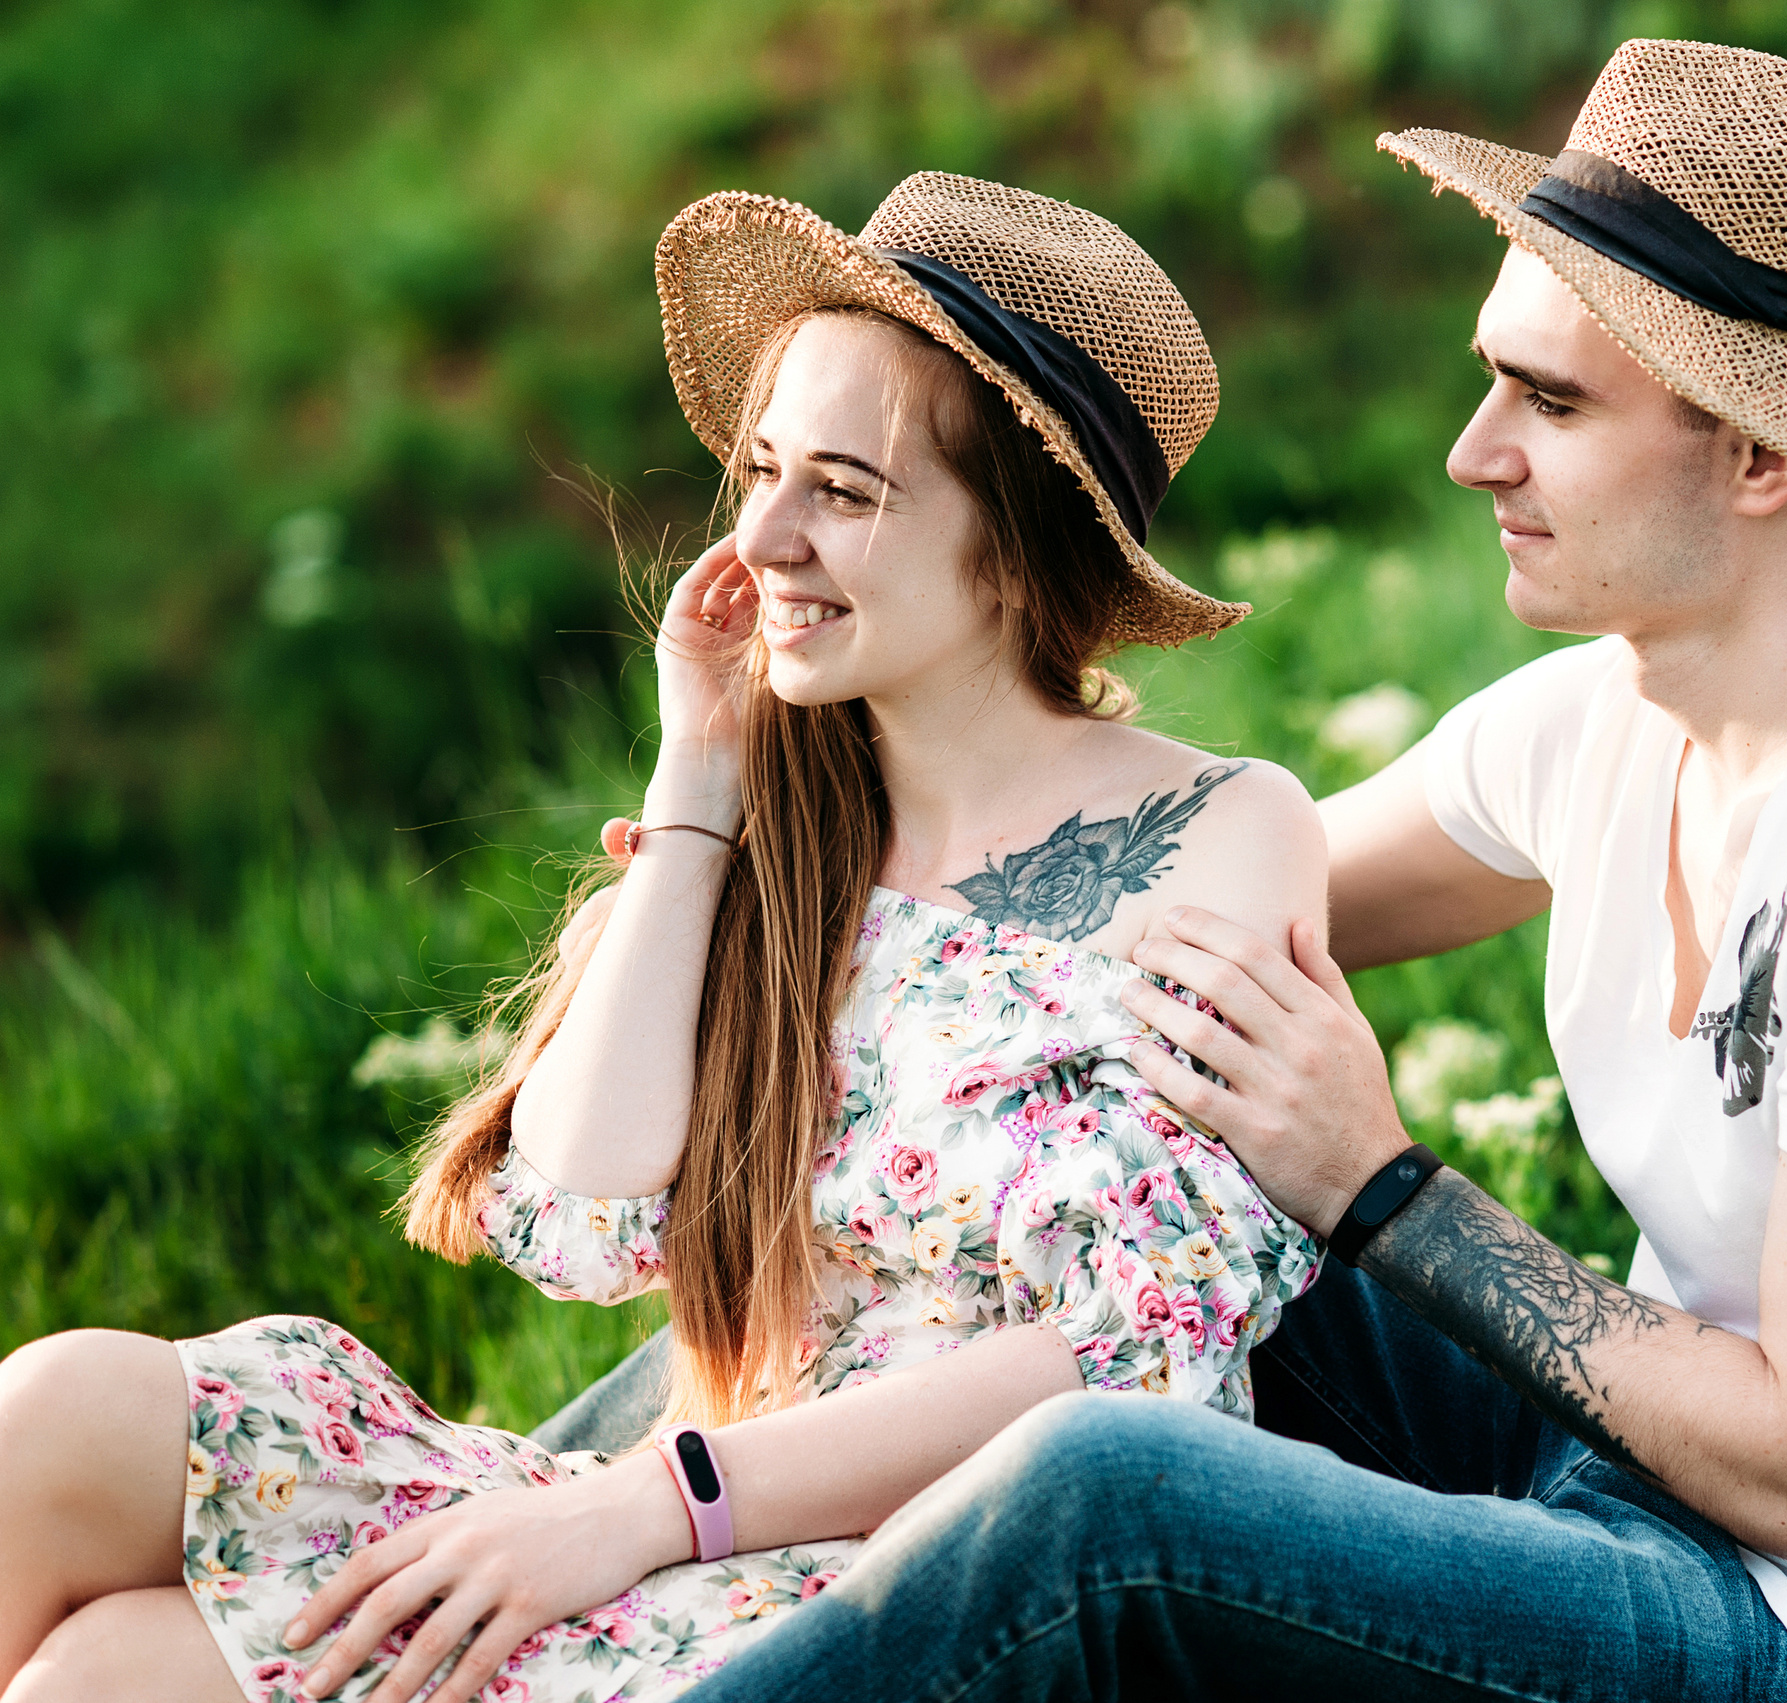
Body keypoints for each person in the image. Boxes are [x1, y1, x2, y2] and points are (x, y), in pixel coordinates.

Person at [658, 39, 1787, 1703]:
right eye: (1495, 378)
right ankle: (546, 1533)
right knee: (1059, 1231)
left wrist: (1378, 1183)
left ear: (1765, 457)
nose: (1475, 453)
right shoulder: (1597, 724)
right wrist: (741, 861)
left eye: (1551, 403)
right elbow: (1154, 944)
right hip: (1632, 1491)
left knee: (1100, 1496)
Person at [0, 173, 1325, 1703]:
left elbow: (1138, 1351)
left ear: (1016, 545)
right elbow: (580, 1200)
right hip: (659, 1531)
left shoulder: (1221, 833)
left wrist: (651, 1505)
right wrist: (696, 789)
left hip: (909, 1589)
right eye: (761, 470)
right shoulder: (786, 822)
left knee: (116, 1676)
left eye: (845, 489)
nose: (760, 533)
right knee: (67, 1428)